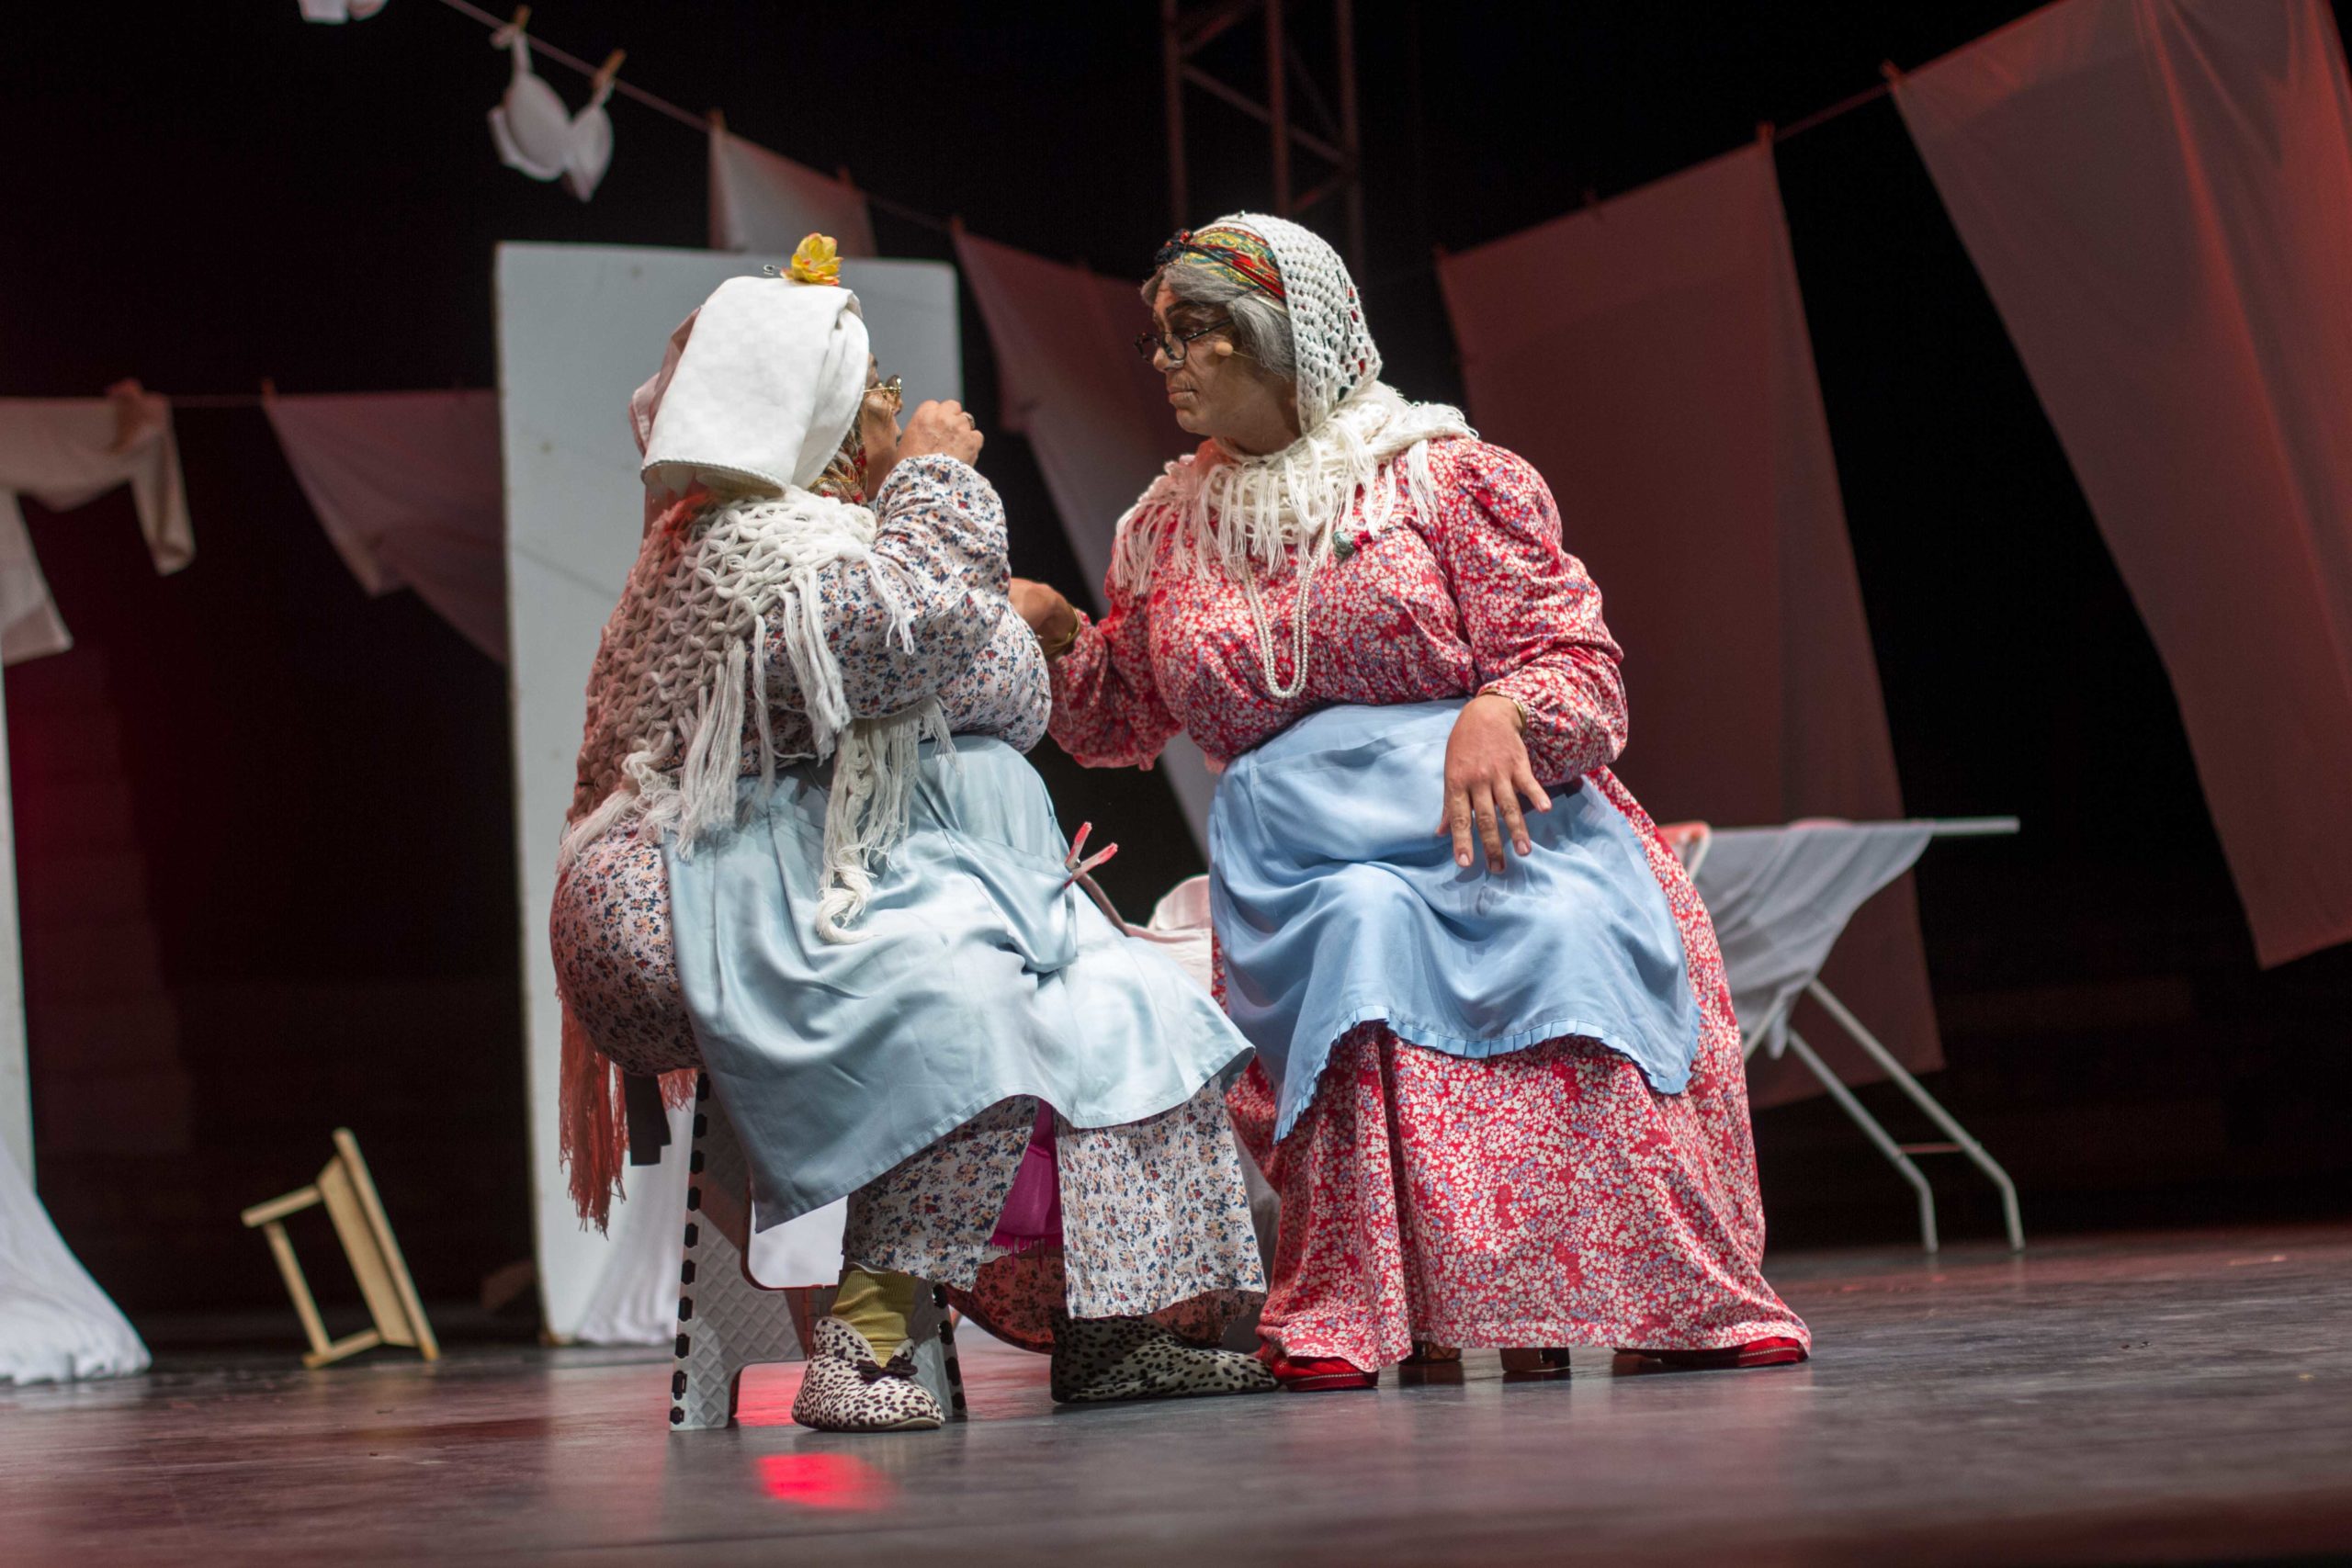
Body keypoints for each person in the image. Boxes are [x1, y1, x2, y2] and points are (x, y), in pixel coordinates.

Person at [1012, 214, 1811, 1389]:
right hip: (1307, 865)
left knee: (1570, 934)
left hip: (1494, 826)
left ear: (1281, 335)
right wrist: (1057, 635)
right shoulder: (1170, 529)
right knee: (1363, 932)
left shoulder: (1439, 477)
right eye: (1159, 337)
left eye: (1196, 331)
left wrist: (1503, 710)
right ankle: (1370, 1308)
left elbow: (1578, 665)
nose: (1167, 359)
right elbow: (1118, 717)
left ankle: (1666, 1295)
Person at [549, 237, 1273, 1433]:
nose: (894, 399)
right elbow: (912, 646)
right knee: (970, 1004)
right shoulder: (743, 543)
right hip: (684, 894)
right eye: (872, 382)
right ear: (824, 416)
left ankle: (1117, 1326)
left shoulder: (828, 540)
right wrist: (935, 483)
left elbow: (996, 688)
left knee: (1122, 1001)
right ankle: (868, 1340)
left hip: (795, 873)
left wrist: (984, 612)